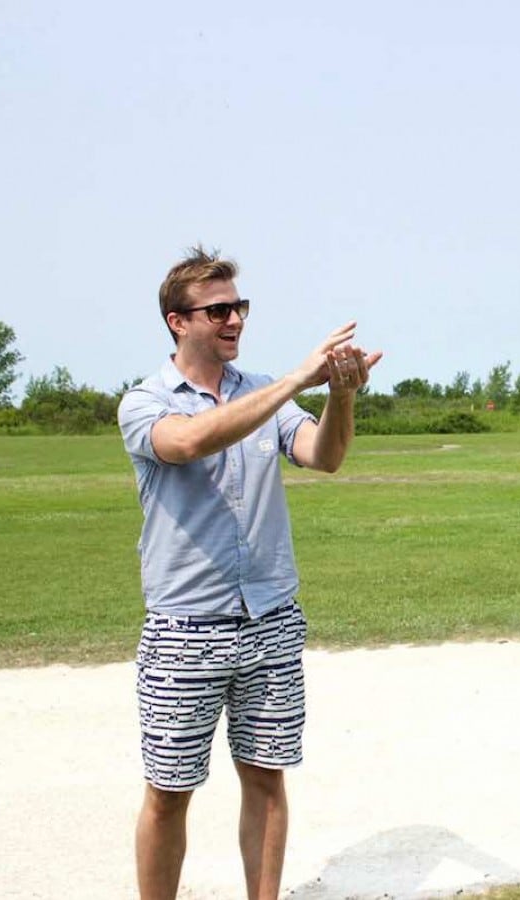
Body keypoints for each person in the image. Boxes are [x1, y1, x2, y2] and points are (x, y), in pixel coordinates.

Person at [117, 246, 381, 900]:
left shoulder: (260, 391)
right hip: (186, 629)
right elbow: (188, 442)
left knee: (266, 779)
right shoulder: (145, 402)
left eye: (239, 307)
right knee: (169, 791)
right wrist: (297, 379)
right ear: (178, 321)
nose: (235, 319)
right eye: (218, 310)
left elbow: (323, 455)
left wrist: (340, 397)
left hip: (271, 621)